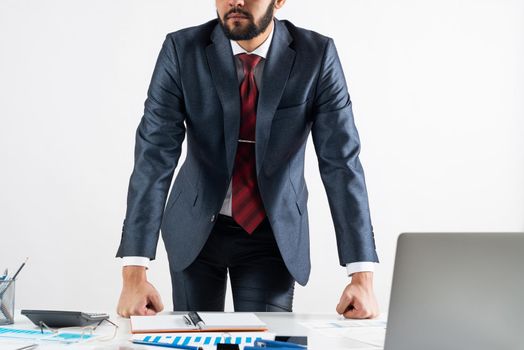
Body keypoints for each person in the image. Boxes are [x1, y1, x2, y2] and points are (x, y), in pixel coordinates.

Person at [116, 0, 379, 319]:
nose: (235, 2)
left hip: (271, 233)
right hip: (194, 226)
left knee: (268, 342)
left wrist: (361, 276)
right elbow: (154, 157)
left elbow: (341, 163)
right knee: (194, 341)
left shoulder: (317, 55)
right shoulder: (182, 49)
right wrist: (134, 272)